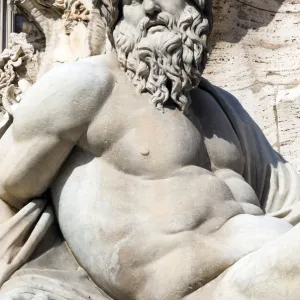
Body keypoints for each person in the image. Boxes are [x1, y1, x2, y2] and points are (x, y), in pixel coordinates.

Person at [0, 0, 300, 299]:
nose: (150, 7)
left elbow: (291, 203)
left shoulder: (224, 107)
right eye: (130, 1)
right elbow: (5, 189)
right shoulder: (87, 86)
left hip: (267, 265)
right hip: (200, 287)